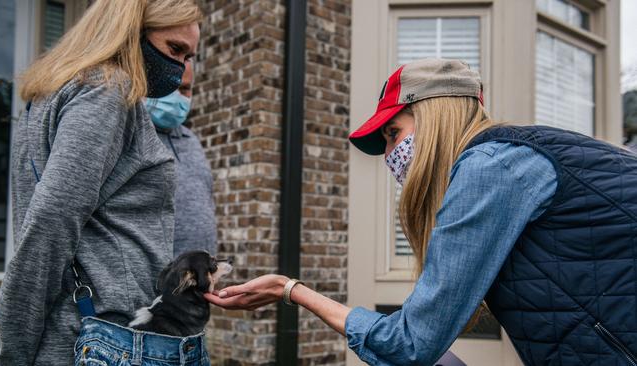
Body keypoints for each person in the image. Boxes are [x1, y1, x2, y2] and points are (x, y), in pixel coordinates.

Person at [205, 58, 637, 365]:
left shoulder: (491, 167)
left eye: (394, 134)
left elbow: (410, 345)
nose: (390, 153)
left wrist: (288, 288)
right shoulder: (515, 156)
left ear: (436, 115)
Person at [0, 1, 204, 365]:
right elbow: (50, 223)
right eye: (174, 49)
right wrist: (9, 352)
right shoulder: (108, 92)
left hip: (90, 337)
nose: (181, 68)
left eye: (189, 55)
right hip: (102, 341)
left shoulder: (55, 95)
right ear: (131, 32)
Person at [145, 60, 217, 257]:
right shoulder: (133, 135)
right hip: (156, 279)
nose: (178, 95)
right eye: (171, 85)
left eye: (185, 89)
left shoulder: (191, 139)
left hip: (199, 277)